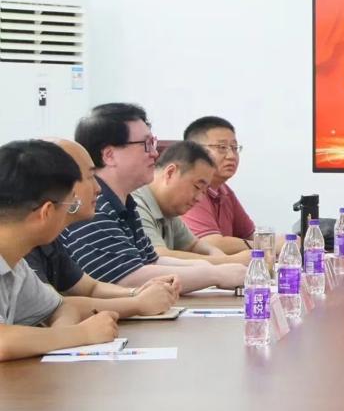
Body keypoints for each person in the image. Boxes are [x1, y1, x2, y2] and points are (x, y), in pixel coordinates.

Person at [60, 104, 245, 293]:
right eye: (146, 145)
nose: (155, 154)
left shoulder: (125, 204)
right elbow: (127, 278)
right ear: (109, 155)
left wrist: (211, 268)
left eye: (153, 144)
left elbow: (152, 260)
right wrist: (215, 274)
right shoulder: (95, 205)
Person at [24, 139, 179, 318]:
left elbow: (90, 287)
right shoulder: (21, 247)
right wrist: (137, 304)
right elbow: (55, 308)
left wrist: (137, 293)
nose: (98, 188)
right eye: (90, 177)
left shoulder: (49, 238)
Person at [0, 140, 120, 362]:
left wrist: (62, 337)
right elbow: (2, 343)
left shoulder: (16, 265)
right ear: (46, 213)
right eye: (69, 206)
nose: (69, 215)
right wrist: (81, 334)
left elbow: (61, 307)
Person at [133, 141, 249, 265]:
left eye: (204, 191)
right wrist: (229, 261)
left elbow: (194, 245)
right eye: (197, 187)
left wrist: (219, 256)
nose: (199, 198)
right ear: (170, 173)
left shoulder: (169, 209)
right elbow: (157, 257)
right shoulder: (135, 204)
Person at [181, 116, 256, 254]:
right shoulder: (190, 189)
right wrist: (267, 244)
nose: (231, 156)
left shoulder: (224, 191)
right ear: (196, 151)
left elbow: (250, 235)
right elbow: (210, 244)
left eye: (234, 148)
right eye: (222, 147)